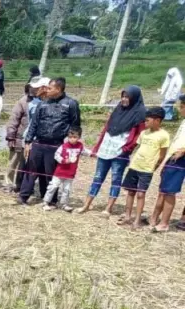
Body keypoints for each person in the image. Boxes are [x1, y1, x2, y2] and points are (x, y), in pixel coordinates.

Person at [74, 86, 147, 215]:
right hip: (105, 149)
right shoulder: (118, 109)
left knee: (116, 179)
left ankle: (108, 208)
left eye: (127, 97)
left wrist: (127, 149)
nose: (124, 99)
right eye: (123, 96)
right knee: (97, 177)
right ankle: (86, 204)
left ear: (134, 98)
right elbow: (106, 129)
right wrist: (97, 147)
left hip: (120, 153)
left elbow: (139, 136)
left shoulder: (139, 113)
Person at [18, 77, 81, 205]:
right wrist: (28, 141)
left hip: (56, 145)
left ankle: (49, 199)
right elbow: (34, 124)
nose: (46, 90)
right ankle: (23, 196)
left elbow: (75, 125)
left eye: (49, 88)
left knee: (50, 173)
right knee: (31, 169)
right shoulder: (43, 103)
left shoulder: (71, 104)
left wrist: (70, 144)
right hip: (39, 142)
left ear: (58, 89)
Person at [121, 107, 170, 229]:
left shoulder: (164, 136)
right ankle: (127, 216)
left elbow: (162, 155)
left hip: (146, 170)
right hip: (135, 166)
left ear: (157, 120)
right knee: (131, 191)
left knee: (141, 194)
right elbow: (138, 148)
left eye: (147, 120)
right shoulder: (144, 133)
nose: (145, 122)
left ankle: (137, 220)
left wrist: (153, 168)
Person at [153, 94, 185, 231]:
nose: (179, 109)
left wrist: (183, 150)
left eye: (182, 107)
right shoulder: (184, 121)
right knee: (163, 189)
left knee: (169, 192)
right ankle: (154, 218)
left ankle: (164, 223)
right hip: (172, 158)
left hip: (179, 159)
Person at [42, 128, 84, 212]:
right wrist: (64, 161)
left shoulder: (80, 146)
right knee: (53, 186)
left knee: (66, 189)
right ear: (68, 137)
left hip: (70, 173)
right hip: (60, 172)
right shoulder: (63, 146)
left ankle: (64, 204)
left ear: (79, 137)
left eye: (75, 137)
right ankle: (45, 202)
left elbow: (85, 152)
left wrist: (93, 154)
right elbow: (56, 155)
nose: (72, 139)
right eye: (70, 137)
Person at [4, 84, 32, 191]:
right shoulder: (22, 102)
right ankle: (8, 184)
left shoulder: (41, 102)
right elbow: (13, 120)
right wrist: (11, 136)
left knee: (25, 164)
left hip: (31, 140)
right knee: (13, 162)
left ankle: (20, 184)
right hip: (19, 138)